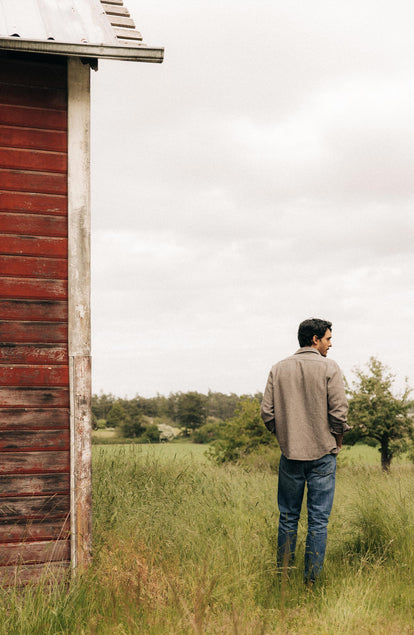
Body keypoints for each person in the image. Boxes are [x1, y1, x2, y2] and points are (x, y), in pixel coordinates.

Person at [260, 318, 350, 583]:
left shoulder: (278, 368)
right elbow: (339, 412)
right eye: (328, 339)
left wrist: (286, 436)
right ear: (315, 339)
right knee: (318, 521)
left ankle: (283, 579)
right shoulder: (329, 367)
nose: (330, 344)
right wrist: (337, 440)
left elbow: (267, 413)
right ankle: (311, 582)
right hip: (323, 453)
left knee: (287, 518)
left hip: (290, 455)